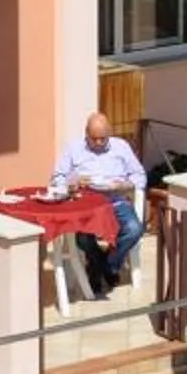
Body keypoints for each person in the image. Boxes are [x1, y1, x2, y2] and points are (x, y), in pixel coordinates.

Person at [50, 112, 149, 298]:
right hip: (85, 202)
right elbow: (57, 179)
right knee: (83, 239)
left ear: (109, 133)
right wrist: (73, 182)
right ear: (86, 133)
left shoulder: (121, 147)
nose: (98, 143)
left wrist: (124, 185)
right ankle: (103, 267)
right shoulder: (73, 148)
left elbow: (139, 175)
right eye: (93, 139)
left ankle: (106, 265)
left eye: (102, 139)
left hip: (115, 199)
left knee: (134, 229)